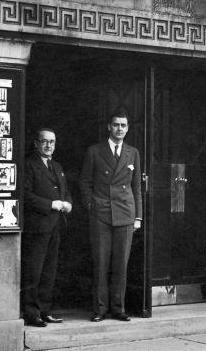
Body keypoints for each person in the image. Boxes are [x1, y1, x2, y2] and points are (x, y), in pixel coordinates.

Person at [80, 115, 142, 322]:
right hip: (102, 213)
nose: (119, 129)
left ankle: (118, 308)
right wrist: (91, 205)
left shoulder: (132, 153)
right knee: (101, 263)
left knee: (120, 265)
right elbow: (85, 182)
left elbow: (136, 188)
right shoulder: (95, 151)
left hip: (125, 213)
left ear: (128, 129)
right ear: (109, 127)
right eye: (116, 125)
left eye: (123, 125)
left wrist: (138, 216)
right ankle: (100, 309)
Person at [22, 128, 72, 327]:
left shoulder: (57, 166)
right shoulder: (29, 165)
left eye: (52, 142)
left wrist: (68, 203)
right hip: (37, 226)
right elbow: (25, 195)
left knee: (49, 271)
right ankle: (31, 312)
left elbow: (65, 190)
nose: (48, 145)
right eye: (44, 141)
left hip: (55, 226)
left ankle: (44, 310)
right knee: (34, 271)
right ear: (36, 143)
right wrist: (50, 204)